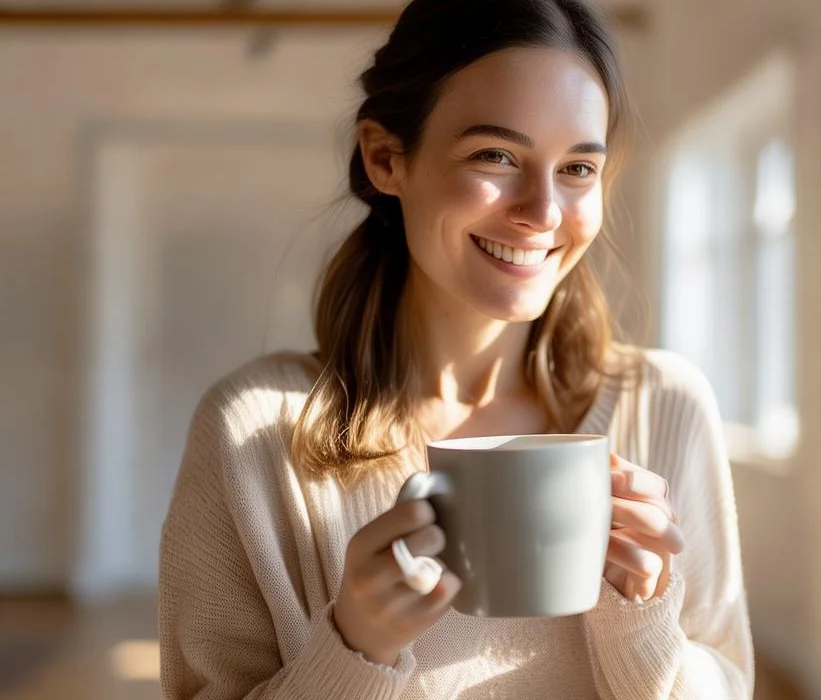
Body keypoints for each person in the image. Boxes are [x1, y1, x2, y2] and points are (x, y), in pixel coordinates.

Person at [158, 0, 754, 697]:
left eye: (577, 169)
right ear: (386, 157)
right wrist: (355, 648)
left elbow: (726, 681)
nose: (543, 212)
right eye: (495, 155)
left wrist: (645, 621)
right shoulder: (253, 435)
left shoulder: (666, 407)